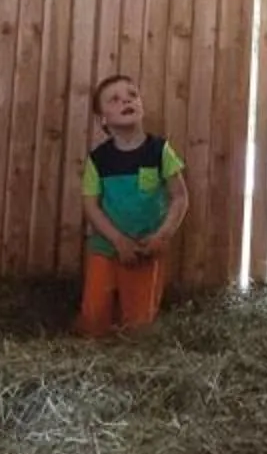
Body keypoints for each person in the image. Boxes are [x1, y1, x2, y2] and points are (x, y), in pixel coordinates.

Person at [77, 73, 186, 337]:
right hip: (105, 247)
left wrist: (162, 236)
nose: (126, 100)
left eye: (132, 95)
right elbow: (91, 206)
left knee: (139, 329)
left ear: (141, 106)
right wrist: (117, 241)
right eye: (114, 99)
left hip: (145, 249)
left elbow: (180, 197)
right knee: (93, 323)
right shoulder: (98, 159)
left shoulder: (160, 150)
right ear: (103, 119)